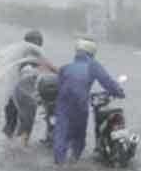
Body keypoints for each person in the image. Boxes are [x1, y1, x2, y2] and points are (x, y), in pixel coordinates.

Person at [53, 36, 124, 165]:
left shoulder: (65, 68)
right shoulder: (93, 65)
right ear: (92, 52)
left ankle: (59, 164)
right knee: (79, 137)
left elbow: (60, 87)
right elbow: (107, 82)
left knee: (61, 136)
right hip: (80, 104)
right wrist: (119, 93)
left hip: (63, 104)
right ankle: (73, 162)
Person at [2, 30, 57, 139]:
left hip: (16, 93)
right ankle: (22, 143)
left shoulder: (20, 53)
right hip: (25, 93)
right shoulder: (33, 55)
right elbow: (50, 67)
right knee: (25, 121)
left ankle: (11, 143)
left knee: (12, 119)